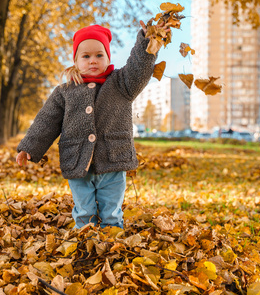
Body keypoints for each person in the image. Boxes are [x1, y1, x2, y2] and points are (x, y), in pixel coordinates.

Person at [16, 21, 168, 229]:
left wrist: (147, 42)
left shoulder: (122, 83)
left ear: (108, 57)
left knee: (111, 212)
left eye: (99, 55)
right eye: (85, 56)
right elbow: (47, 120)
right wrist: (30, 147)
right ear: (76, 60)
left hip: (113, 160)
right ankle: (86, 244)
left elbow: (138, 68)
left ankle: (111, 246)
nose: (93, 61)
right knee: (84, 211)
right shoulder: (65, 91)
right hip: (78, 161)